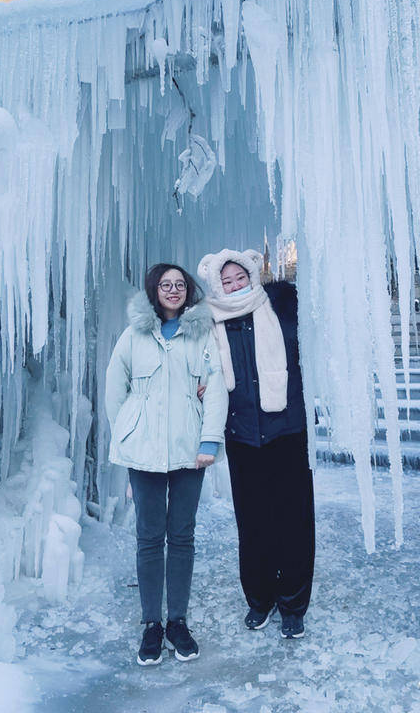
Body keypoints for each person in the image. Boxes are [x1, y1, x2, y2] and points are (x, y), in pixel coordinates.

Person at [105, 263, 227, 665]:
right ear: (153, 291)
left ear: (188, 291)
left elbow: (216, 388)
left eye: (179, 284)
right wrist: (125, 432)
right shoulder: (134, 335)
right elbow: (114, 386)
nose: (173, 290)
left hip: (189, 450)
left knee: (182, 535)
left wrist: (209, 439)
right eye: (165, 284)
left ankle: (177, 620)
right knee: (148, 536)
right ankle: (151, 624)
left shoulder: (201, 335)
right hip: (143, 451)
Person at [197, 248, 315, 639]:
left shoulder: (280, 309)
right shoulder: (210, 323)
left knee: (293, 521)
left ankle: (293, 604)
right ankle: (259, 599)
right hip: (243, 437)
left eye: (239, 278)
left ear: (251, 276)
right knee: (253, 524)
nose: (233, 286)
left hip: (287, 431)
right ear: (216, 285)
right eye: (225, 281)